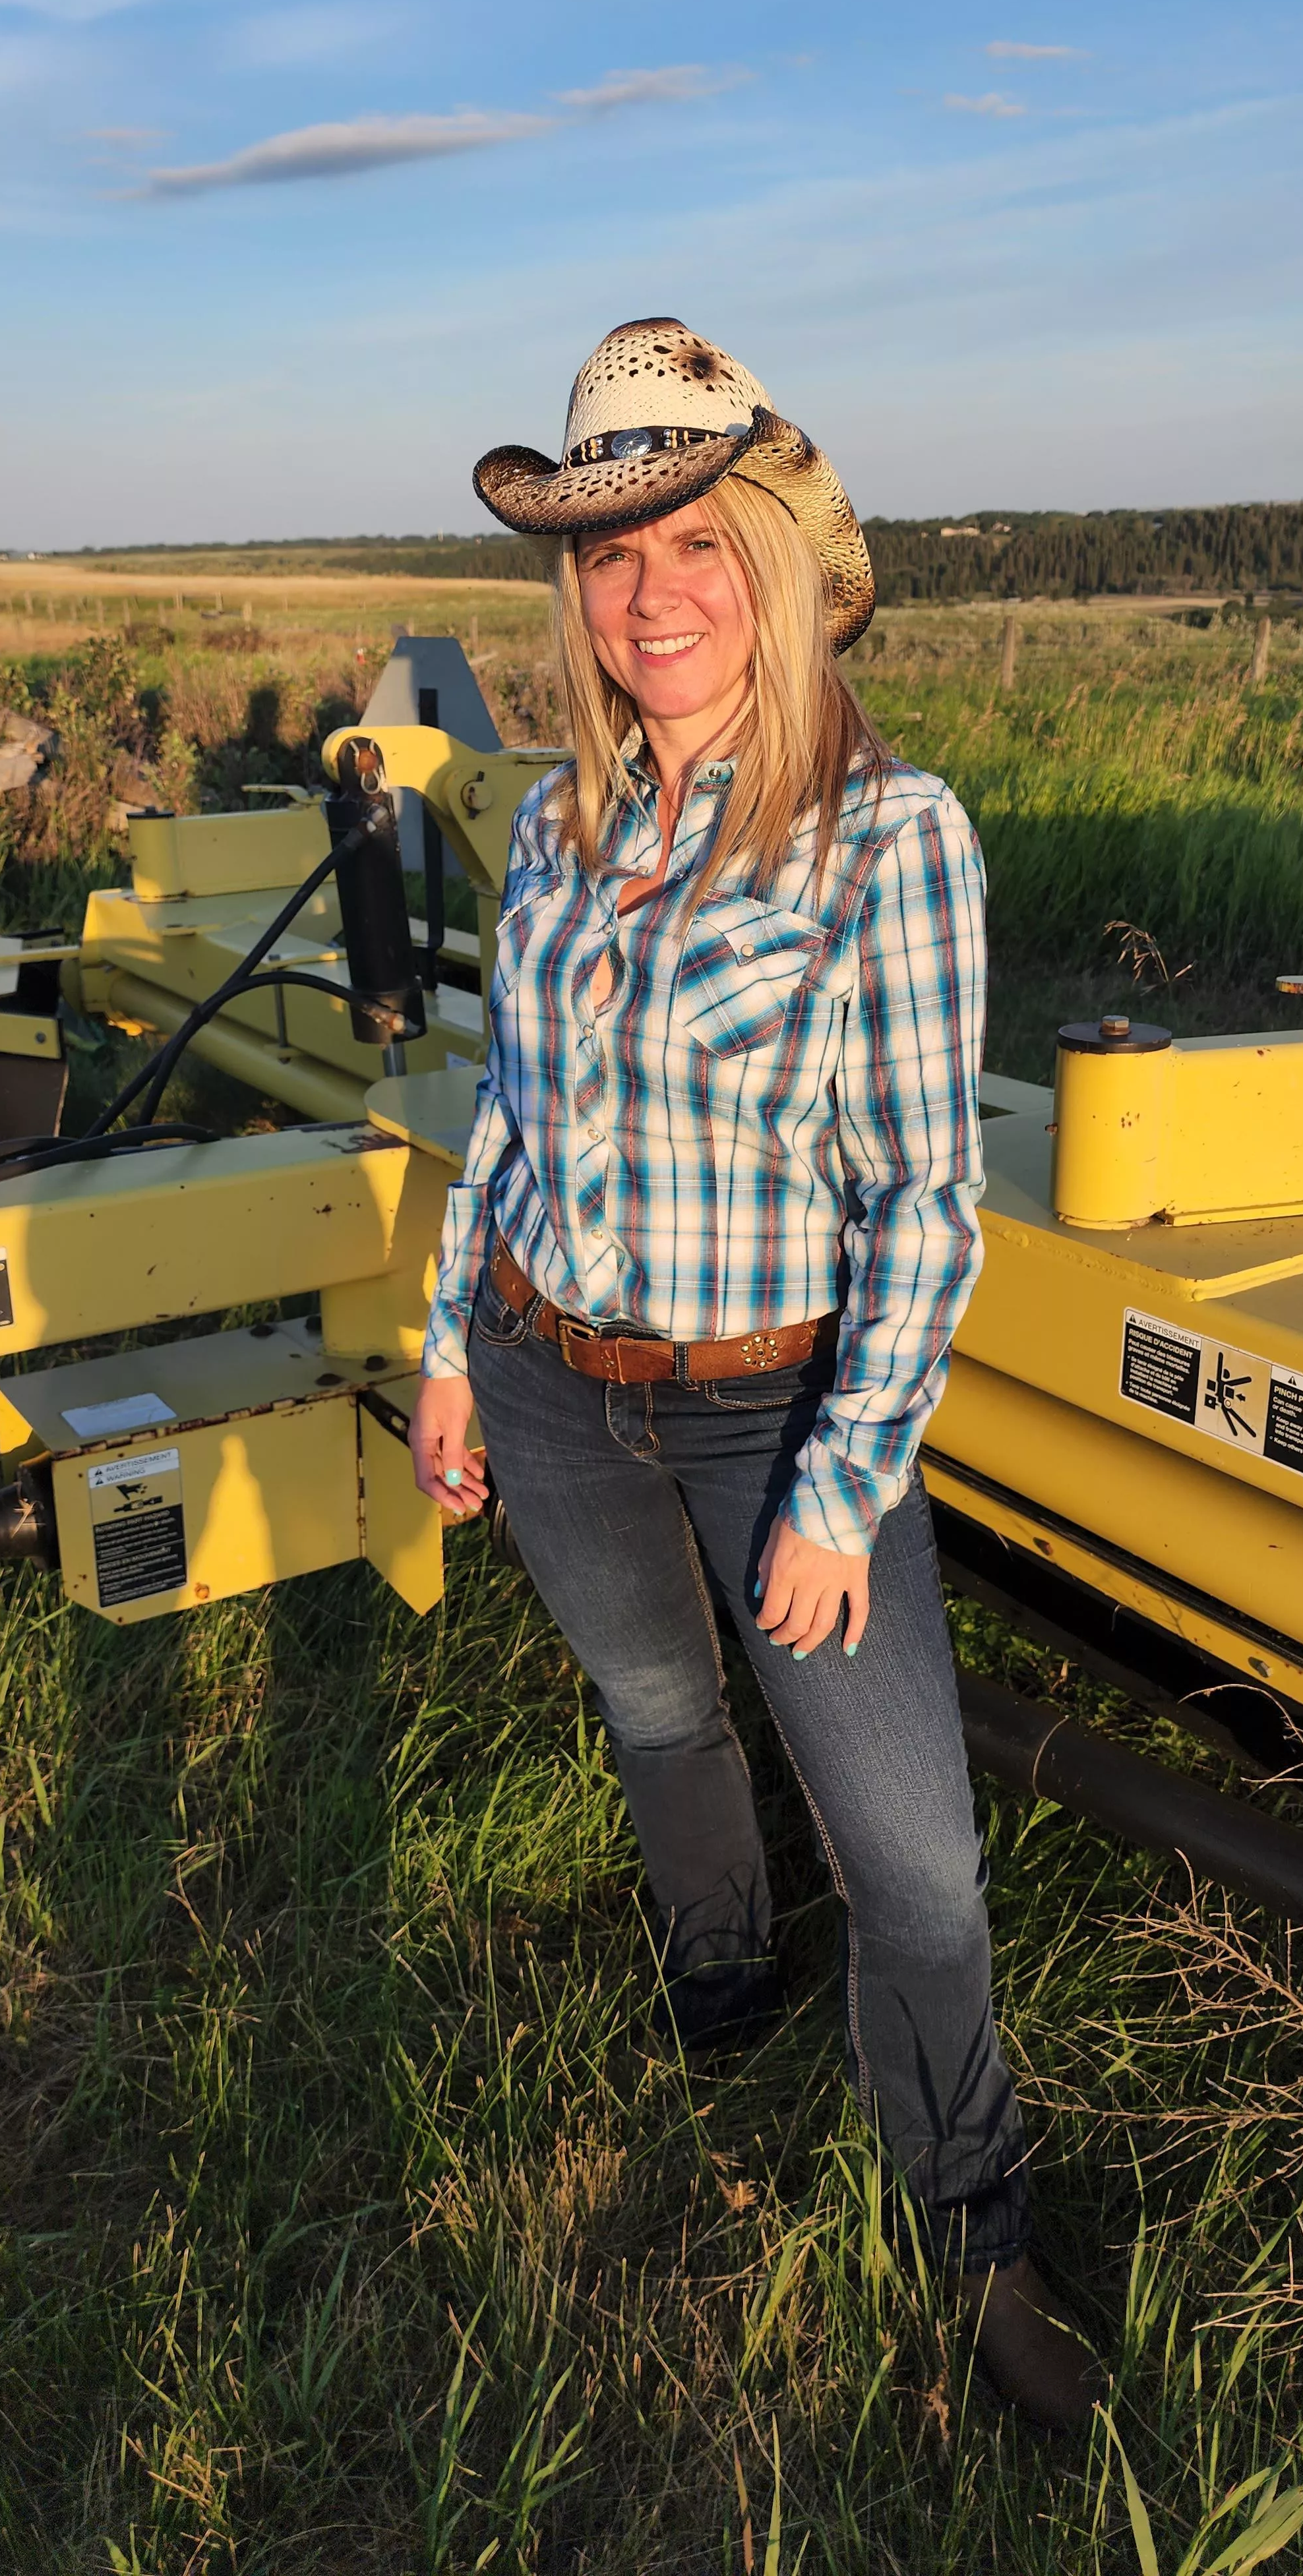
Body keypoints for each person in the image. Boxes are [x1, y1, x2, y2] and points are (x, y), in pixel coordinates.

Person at [406, 318, 1099, 2433]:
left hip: (779, 1405)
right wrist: (452, 1346)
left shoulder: (890, 839)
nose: (652, 594)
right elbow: (510, 1118)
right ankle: (718, 1963)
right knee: (651, 1701)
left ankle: (969, 2212)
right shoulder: (555, 828)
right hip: (551, 1379)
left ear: (778, 565)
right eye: (611, 559)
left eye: (693, 541)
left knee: (919, 1857)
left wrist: (835, 1485)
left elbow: (924, 1207)